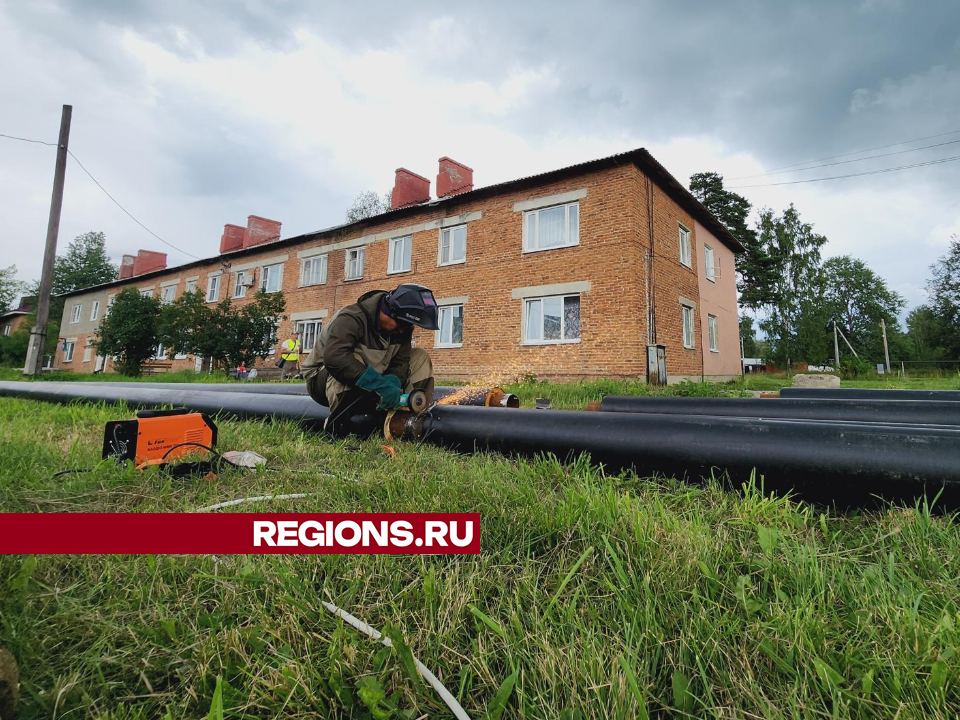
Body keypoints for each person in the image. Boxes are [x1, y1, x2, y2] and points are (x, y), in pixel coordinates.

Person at [302, 283, 438, 437]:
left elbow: (401, 362)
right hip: (322, 379)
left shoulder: (403, 328)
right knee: (351, 359)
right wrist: (379, 385)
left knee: (420, 356)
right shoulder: (351, 317)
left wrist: (392, 383)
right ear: (387, 312)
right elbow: (335, 358)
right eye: (401, 324)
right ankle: (339, 427)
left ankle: (406, 421)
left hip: (372, 374)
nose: (402, 330)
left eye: (408, 326)